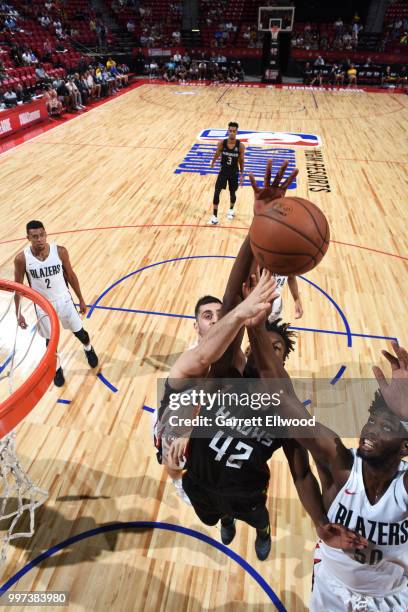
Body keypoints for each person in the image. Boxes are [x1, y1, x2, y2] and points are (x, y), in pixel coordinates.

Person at [246, 270, 408, 609]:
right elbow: (282, 399)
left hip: (392, 598)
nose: (371, 431)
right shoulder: (340, 461)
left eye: (387, 428)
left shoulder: (403, 488)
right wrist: (255, 328)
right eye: (372, 422)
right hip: (330, 591)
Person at [14, 220, 98, 387]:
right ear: (28, 238)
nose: (39, 239)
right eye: (35, 236)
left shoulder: (59, 251)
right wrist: (18, 313)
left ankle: (88, 348)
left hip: (64, 300)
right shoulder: (22, 259)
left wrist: (81, 299)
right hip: (43, 306)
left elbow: (71, 275)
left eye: (42, 235)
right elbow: (18, 288)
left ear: (46, 234)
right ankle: (57, 368)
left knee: (81, 333)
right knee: (50, 342)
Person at [208, 121, 245, 225]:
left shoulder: (240, 146)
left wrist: (242, 174)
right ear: (228, 131)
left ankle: (231, 209)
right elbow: (217, 153)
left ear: (237, 132)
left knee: (232, 193)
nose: (232, 133)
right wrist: (213, 162)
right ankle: (214, 216)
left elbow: (241, 161)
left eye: (234, 131)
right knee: (216, 191)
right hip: (223, 171)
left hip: (234, 172)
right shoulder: (222, 143)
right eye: (230, 131)